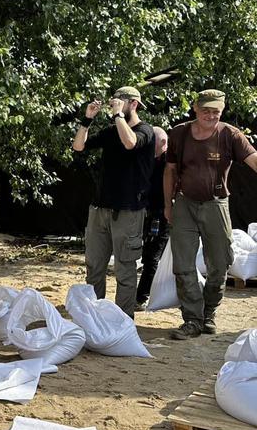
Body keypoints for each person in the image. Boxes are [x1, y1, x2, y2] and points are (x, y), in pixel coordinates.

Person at [164, 89, 257, 339]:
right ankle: (192, 319)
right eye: (206, 109)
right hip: (184, 203)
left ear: (222, 110)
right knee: (182, 265)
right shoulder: (179, 133)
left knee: (220, 263)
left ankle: (209, 313)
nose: (211, 115)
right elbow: (170, 171)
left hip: (216, 204)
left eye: (216, 110)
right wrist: (168, 205)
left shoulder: (230, 135)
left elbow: (253, 159)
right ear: (195, 108)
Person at [73, 87, 155, 317]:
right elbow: (79, 146)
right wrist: (87, 119)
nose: (115, 106)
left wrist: (119, 116)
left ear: (134, 104)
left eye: (121, 102)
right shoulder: (111, 132)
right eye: (114, 102)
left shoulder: (146, 131)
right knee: (94, 266)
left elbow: (130, 143)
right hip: (100, 208)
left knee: (125, 268)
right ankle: (95, 316)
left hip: (129, 210)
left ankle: (123, 319)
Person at [135, 126, 169, 310]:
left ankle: (141, 297)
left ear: (163, 143)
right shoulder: (148, 160)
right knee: (147, 254)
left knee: (152, 257)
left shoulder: (170, 163)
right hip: (146, 212)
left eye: (151, 143)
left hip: (163, 214)